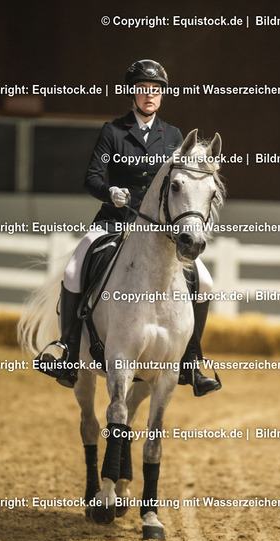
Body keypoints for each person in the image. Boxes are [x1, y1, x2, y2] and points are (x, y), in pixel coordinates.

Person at [44, 59, 221, 396]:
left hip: (158, 230)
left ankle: (192, 361)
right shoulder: (113, 131)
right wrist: (109, 192)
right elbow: (91, 178)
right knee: (73, 270)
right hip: (114, 221)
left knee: (206, 282)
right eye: (143, 89)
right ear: (132, 93)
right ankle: (67, 350)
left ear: (162, 95)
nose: (149, 95)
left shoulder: (174, 136)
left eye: (155, 90)